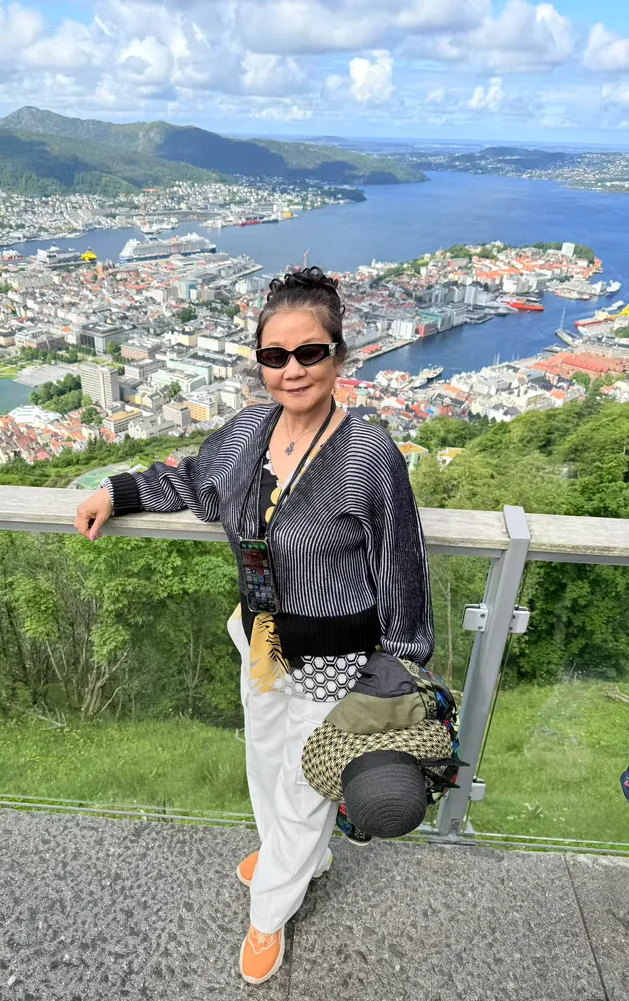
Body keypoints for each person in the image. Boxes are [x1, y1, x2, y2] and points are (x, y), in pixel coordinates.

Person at [74, 267, 435, 986]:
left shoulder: (369, 455)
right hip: (261, 637)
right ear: (259, 362)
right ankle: (292, 855)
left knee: (306, 781)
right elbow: (189, 479)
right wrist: (115, 491)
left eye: (310, 352)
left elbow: (402, 566)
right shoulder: (247, 432)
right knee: (266, 760)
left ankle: (270, 908)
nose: (292, 369)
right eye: (275, 355)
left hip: (336, 658)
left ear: (339, 355)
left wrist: (400, 664)